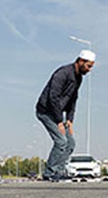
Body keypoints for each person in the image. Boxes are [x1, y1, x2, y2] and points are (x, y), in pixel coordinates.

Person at [35, 50, 95, 181]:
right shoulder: (63, 73)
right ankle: (50, 172)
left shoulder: (79, 78)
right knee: (61, 141)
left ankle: (59, 171)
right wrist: (59, 121)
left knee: (70, 143)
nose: (90, 70)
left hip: (57, 113)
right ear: (80, 61)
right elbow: (53, 97)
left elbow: (73, 98)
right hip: (45, 111)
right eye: (89, 66)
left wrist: (69, 119)